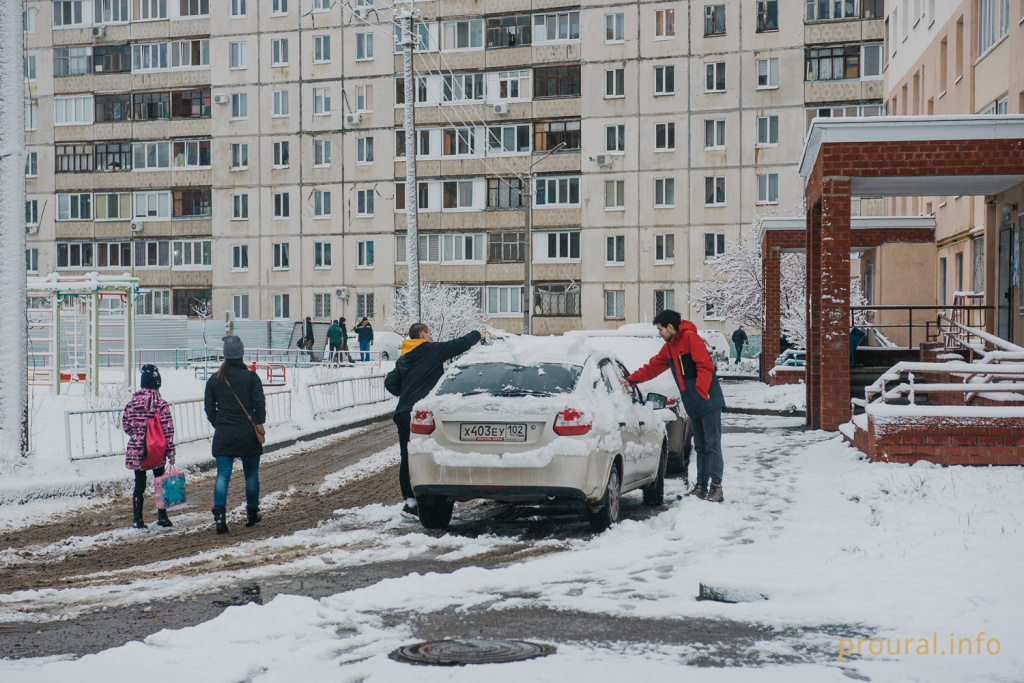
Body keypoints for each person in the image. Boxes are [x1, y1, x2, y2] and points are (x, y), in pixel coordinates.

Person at [621, 310, 727, 503]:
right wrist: (631, 379)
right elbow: (653, 366)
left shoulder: (690, 338)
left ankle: (716, 488)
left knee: (712, 444)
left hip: (708, 400)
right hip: (693, 402)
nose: (659, 333)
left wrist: (701, 393)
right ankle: (702, 487)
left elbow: (705, 366)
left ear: (670, 327)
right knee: (701, 446)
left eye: (660, 329)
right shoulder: (670, 346)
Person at [384, 323, 483, 519]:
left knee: (407, 456)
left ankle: (409, 503)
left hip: (403, 413)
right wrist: (478, 334)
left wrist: (405, 394)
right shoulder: (431, 350)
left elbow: (390, 382)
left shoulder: (405, 357)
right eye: (430, 333)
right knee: (430, 454)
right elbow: (459, 344)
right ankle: (432, 496)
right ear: (422, 334)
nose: (432, 337)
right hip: (422, 413)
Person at [204, 335, 267, 534]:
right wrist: (256, 422)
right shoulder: (251, 377)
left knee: (223, 475)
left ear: (225, 355)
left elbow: (209, 409)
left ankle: (220, 516)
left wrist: (219, 424)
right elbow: (260, 407)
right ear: (241, 354)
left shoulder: (214, 380)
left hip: (224, 434)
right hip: (248, 434)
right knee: (251, 475)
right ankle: (252, 513)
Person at [122, 364, 177, 529]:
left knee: (139, 484)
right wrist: (171, 453)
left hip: (137, 449)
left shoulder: (132, 402)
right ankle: (162, 516)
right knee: (160, 481)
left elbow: (126, 425)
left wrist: (138, 435)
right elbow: (168, 430)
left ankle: (137, 519)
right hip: (157, 449)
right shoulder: (160, 403)